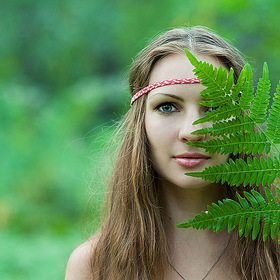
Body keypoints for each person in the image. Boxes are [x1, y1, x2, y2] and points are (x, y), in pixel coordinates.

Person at [65, 26, 280, 280]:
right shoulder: (95, 265)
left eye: (215, 108)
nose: (191, 132)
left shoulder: (273, 250)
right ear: (140, 123)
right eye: (167, 107)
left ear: (242, 122)